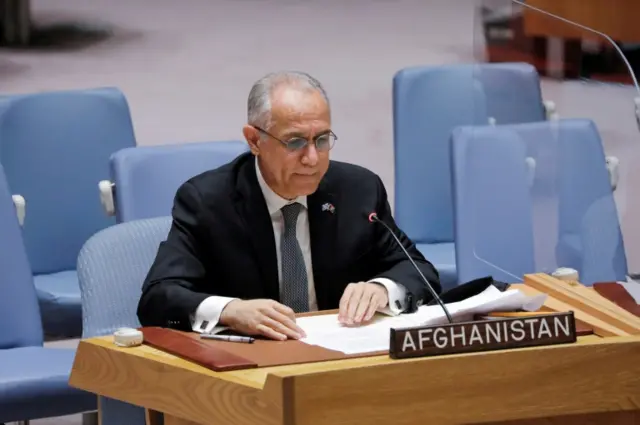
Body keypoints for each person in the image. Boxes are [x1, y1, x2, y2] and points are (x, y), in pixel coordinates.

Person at [137, 71, 440, 340]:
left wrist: (383, 289)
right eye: (295, 142)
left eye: (321, 140)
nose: (311, 158)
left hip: (341, 361)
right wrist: (230, 310)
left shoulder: (358, 191)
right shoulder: (208, 202)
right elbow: (158, 298)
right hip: (254, 371)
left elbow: (421, 273)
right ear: (254, 140)